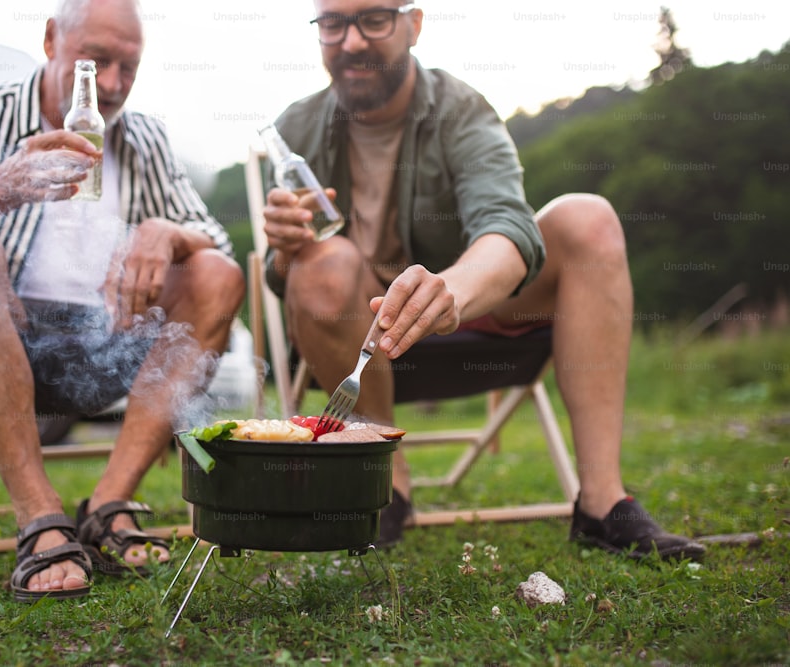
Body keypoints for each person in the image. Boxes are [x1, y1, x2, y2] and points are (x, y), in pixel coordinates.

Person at [262, 0, 705, 561]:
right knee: (321, 263)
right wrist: (282, 251)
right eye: (333, 23)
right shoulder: (293, 128)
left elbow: (507, 223)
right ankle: (386, 483)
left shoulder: (461, 108)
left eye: (373, 19)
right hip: (355, 344)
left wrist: (450, 291)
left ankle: (601, 501)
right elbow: (281, 283)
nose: (351, 41)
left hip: (475, 309)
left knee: (587, 218)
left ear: (413, 24)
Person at [0, 0, 245, 601]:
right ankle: (39, 515)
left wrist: (169, 233)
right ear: (50, 40)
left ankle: (109, 502)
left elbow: (215, 242)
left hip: (102, 349)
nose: (113, 85)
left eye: (129, 67)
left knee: (215, 272)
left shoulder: (143, 137)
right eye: (97, 62)